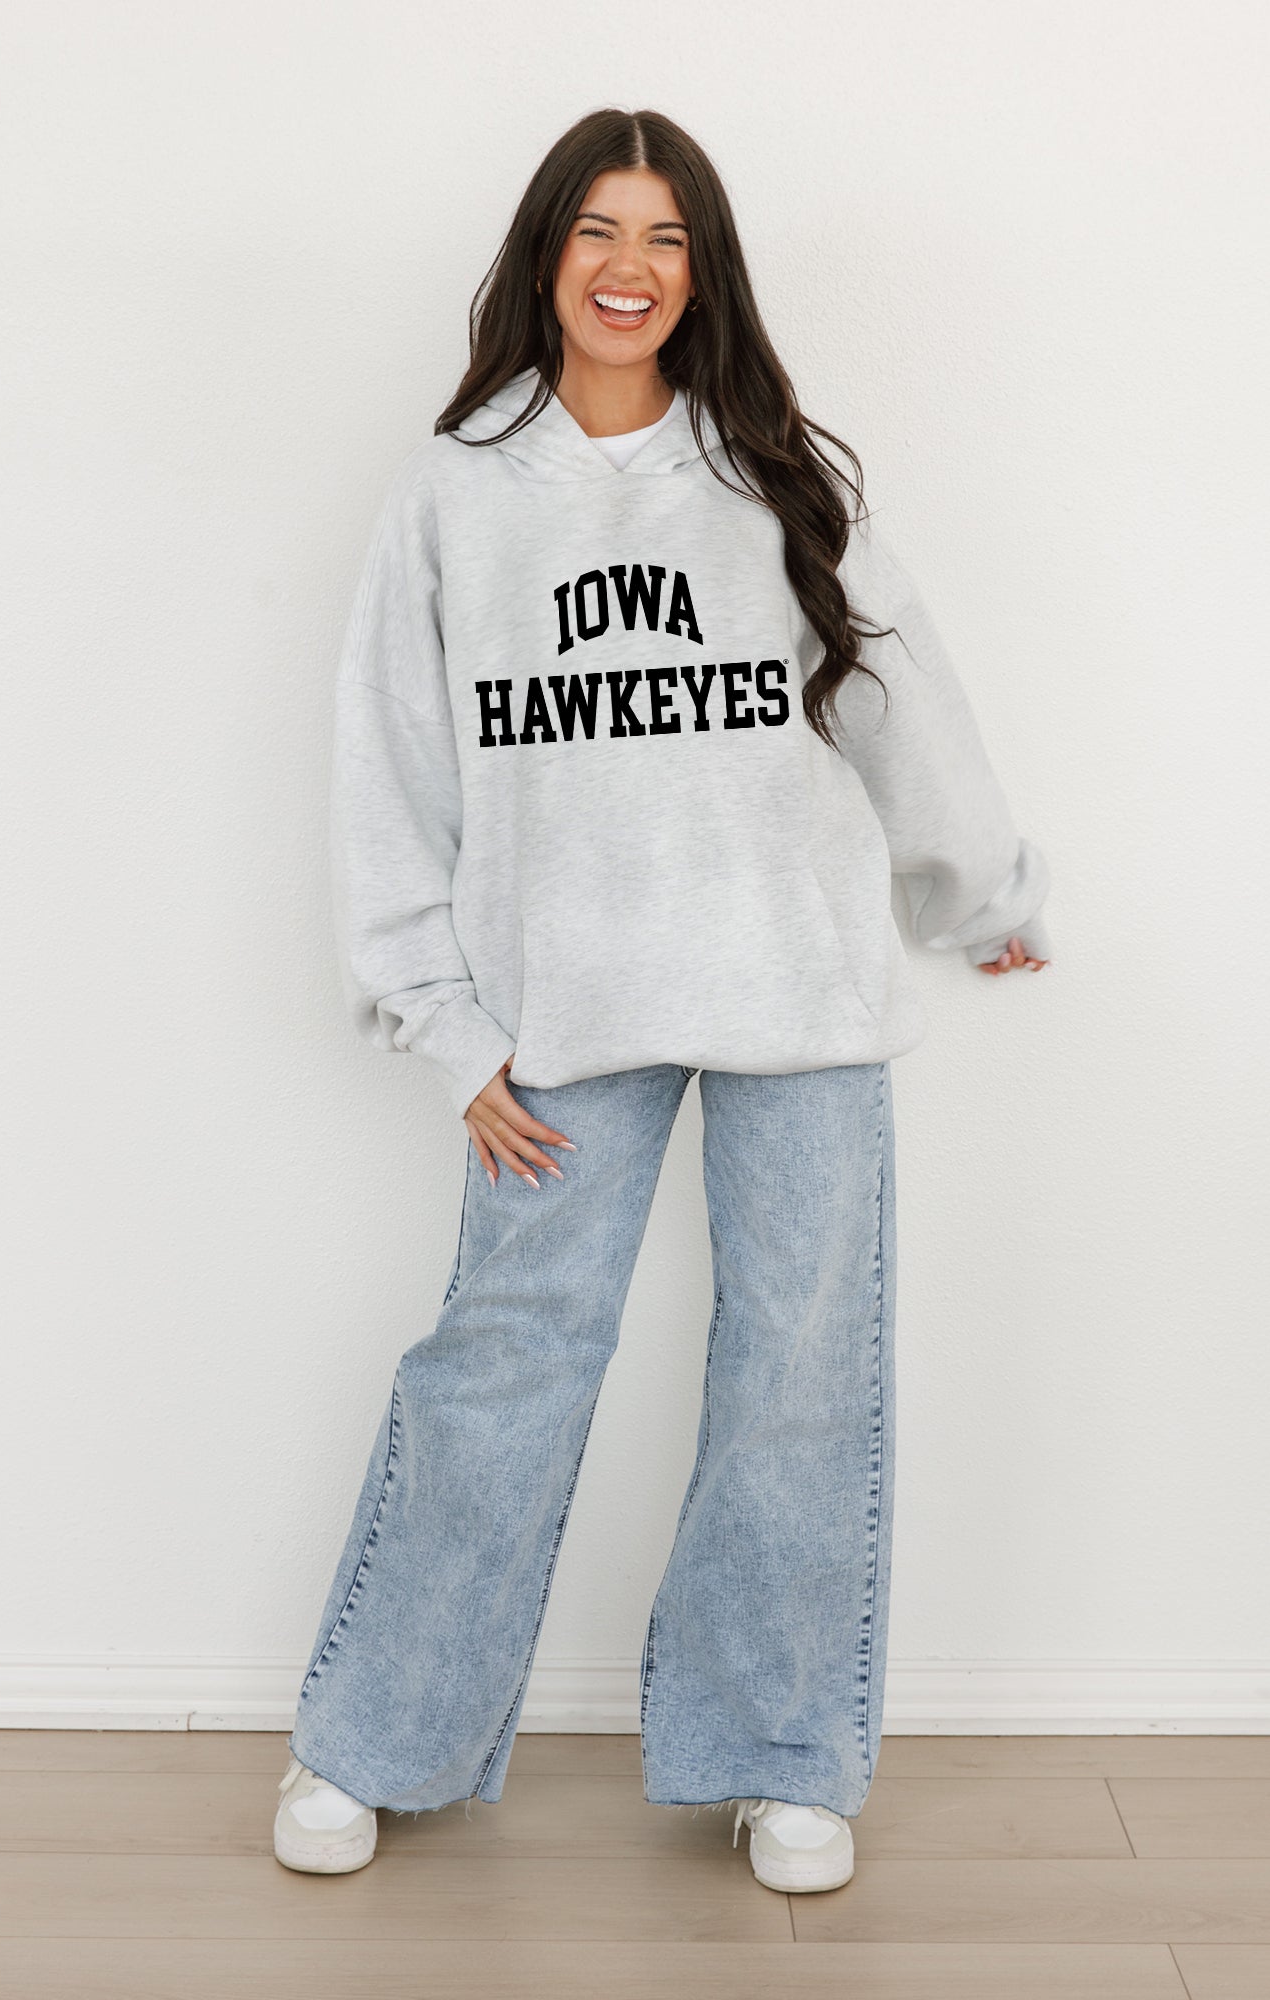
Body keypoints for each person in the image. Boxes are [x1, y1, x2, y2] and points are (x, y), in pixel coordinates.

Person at [272, 106, 1052, 1895]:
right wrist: (442, 1022)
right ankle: (374, 1740)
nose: (630, 269)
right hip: (557, 1020)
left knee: (800, 1377)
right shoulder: (459, 490)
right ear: (545, 254)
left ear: (703, 273)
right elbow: (391, 767)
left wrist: (980, 893)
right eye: (599, 231)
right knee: (504, 1363)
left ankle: (779, 1754)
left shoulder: (776, 476)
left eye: (668, 238)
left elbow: (896, 702)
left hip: (799, 998)